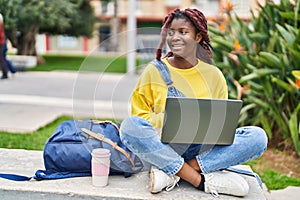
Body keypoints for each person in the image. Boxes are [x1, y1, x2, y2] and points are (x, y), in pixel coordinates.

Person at [120, 8, 268, 197]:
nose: (175, 37)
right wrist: (169, 119)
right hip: (164, 147)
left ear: (198, 37)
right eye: (171, 32)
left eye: (183, 32)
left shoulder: (213, 76)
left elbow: (221, 122)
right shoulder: (153, 72)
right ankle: (198, 179)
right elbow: (138, 116)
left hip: (202, 150)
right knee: (129, 127)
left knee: (257, 137)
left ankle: (176, 172)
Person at [0, 13, 9, 79]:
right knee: (2, 58)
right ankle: (5, 72)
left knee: (2, 58)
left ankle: (5, 73)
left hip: (0, 43)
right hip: (1, 43)